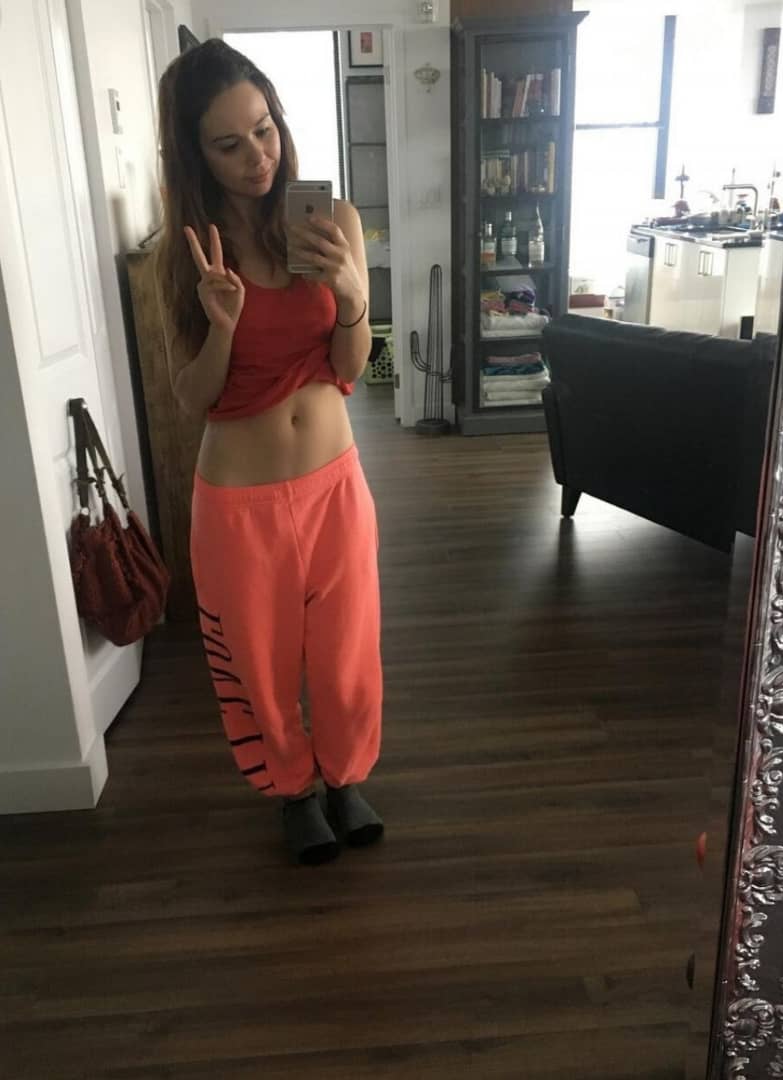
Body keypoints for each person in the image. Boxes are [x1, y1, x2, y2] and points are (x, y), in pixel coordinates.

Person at [153, 39, 383, 865]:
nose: (257, 157)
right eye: (228, 144)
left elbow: (354, 368)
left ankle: (346, 778)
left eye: (264, 130)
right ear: (195, 155)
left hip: (334, 486)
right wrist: (221, 324)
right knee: (257, 661)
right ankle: (291, 791)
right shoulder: (189, 251)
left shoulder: (335, 221)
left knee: (347, 650)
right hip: (238, 503)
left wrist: (352, 297)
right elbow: (192, 398)